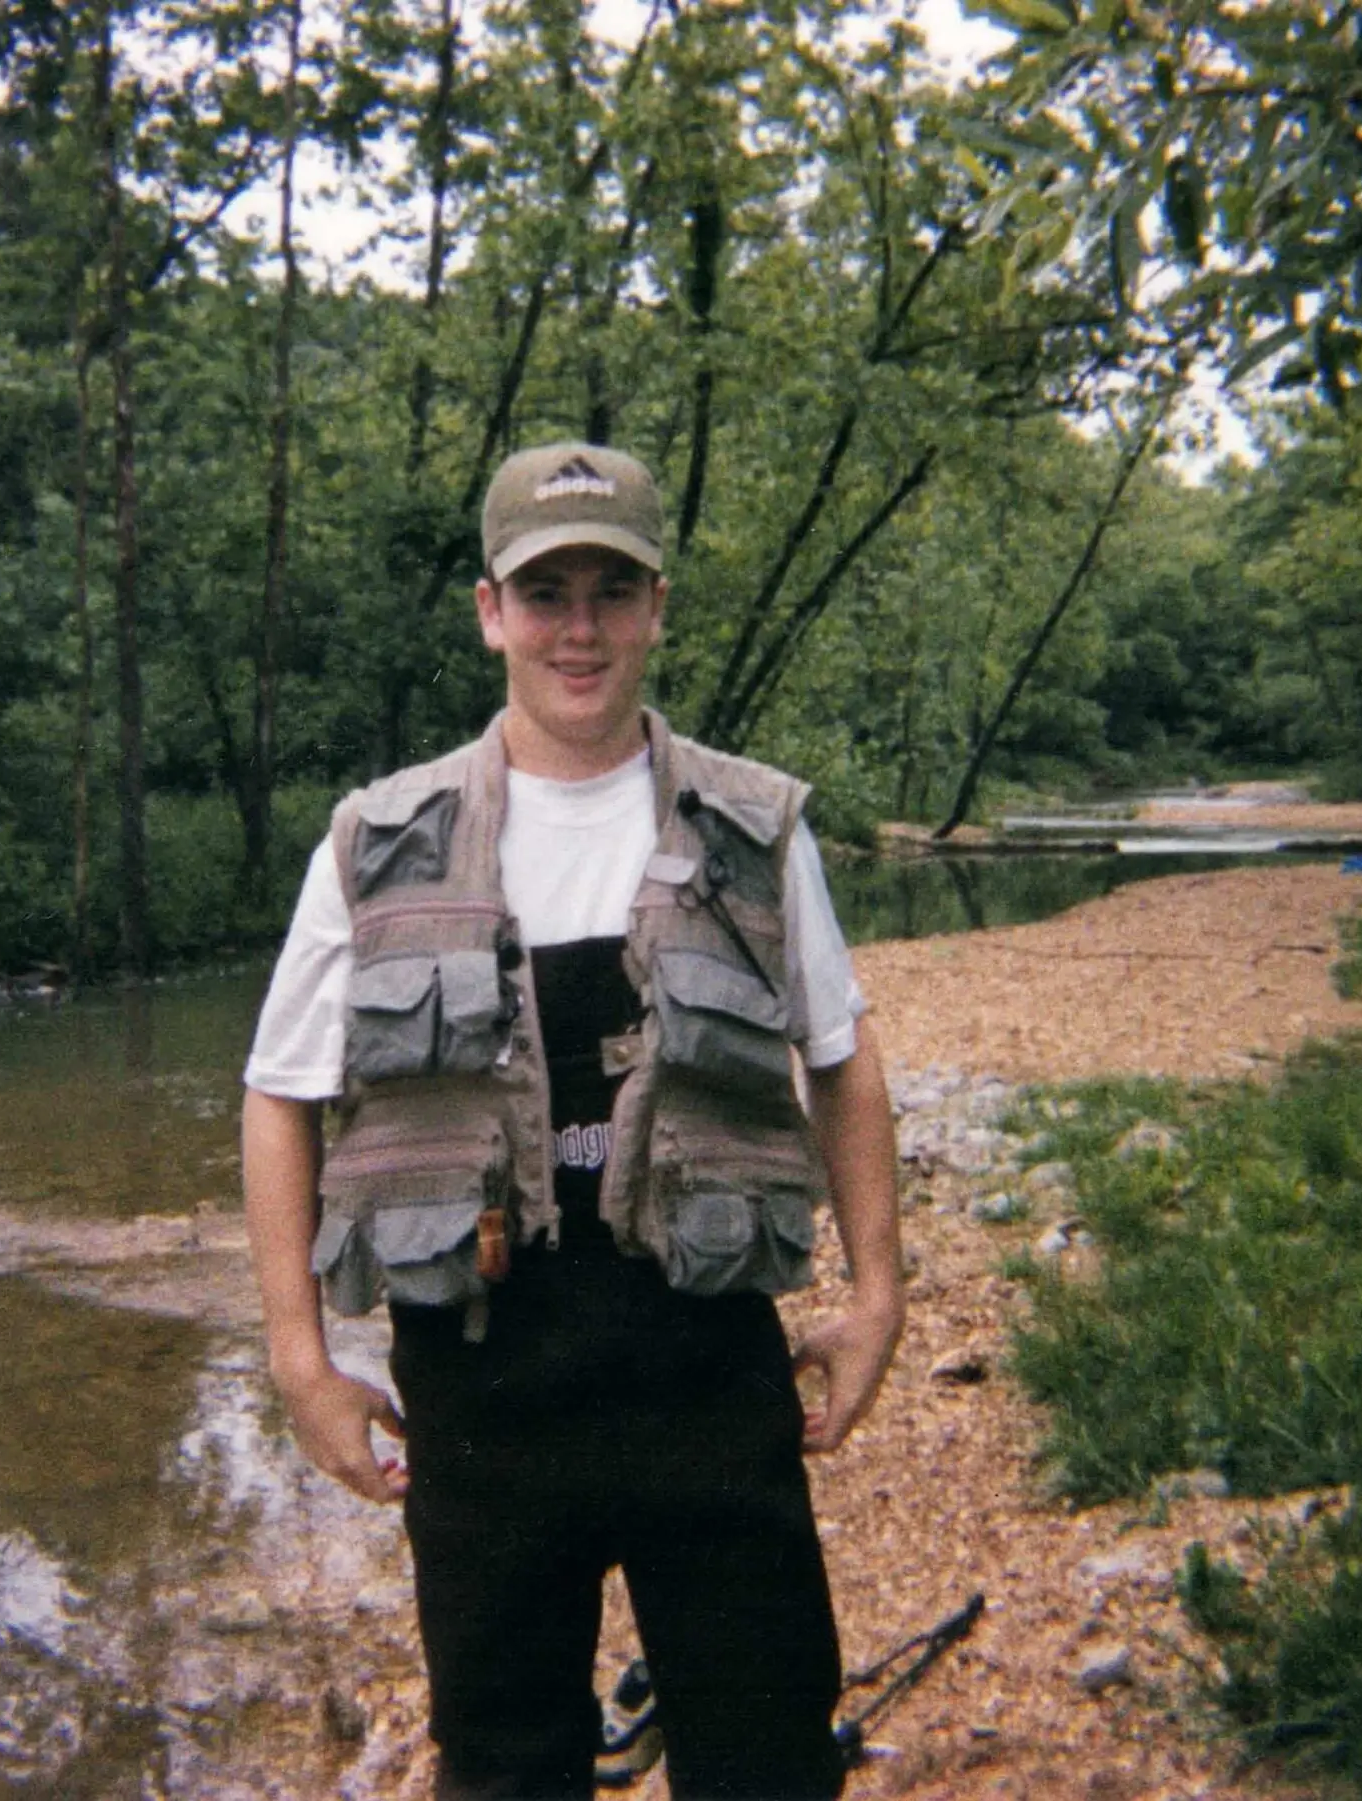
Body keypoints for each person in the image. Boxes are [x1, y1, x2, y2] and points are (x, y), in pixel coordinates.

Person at [241, 442, 904, 1799]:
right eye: (548, 593)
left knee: (770, 1760)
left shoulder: (756, 830)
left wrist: (880, 1292)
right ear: (492, 611)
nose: (580, 628)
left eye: (614, 588)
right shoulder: (377, 842)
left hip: (709, 1382)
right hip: (485, 1399)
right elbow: (280, 1093)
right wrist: (300, 1357)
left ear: (658, 606)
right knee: (505, 1771)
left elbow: (841, 1056)